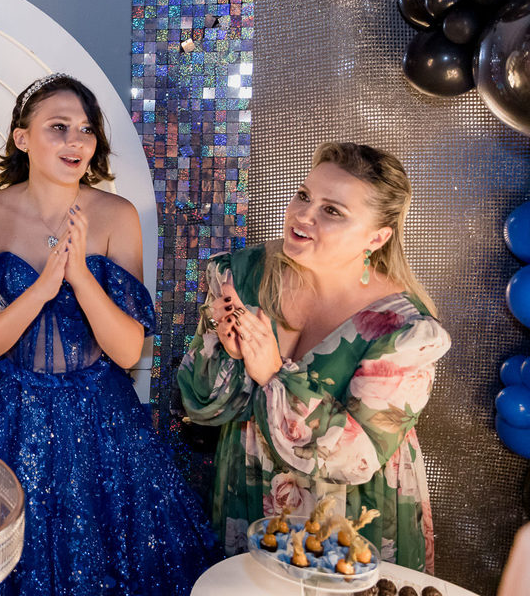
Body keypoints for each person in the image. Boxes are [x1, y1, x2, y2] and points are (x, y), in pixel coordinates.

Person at [0, 73, 216, 596]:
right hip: (9, 414)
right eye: (58, 127)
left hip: (100, 417)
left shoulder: (117, 216)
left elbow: (127, 350)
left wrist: (79, 275)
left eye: (86, 129)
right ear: (22, 138)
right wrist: (40, 290)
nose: (75, 140)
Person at [177, 142, 450, 572]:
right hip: (248, 493)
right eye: (304, 195)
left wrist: (273, 373)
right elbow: (199, 403)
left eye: (332, 211)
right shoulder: (244, 274)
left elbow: (357, 456)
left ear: (377, 237)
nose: (304, 215)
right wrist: (228, 351)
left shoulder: (405, 332)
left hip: (347, 519)